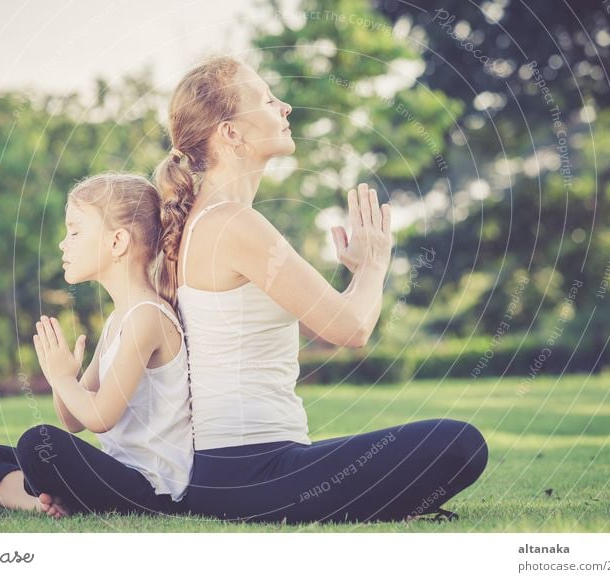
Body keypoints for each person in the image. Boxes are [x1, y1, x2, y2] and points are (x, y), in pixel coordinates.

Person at [154, 56, 489, 524]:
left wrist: (358, 276)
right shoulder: (233, 222)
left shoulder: (212, 218)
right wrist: (374, 265)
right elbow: (349, 328)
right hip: (251, 473)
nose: (285, 106)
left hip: (247, 469)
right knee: (460, 443)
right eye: (268, 99)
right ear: (231, 132)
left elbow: (339, 318)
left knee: (438, 446)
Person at [0, 173, 193, 519]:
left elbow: (100, 417)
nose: (63, 243)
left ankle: (57, 500)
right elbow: (73, 420)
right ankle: (46, 504)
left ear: (118, 242)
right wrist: (66, 378)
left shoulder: (146, 317)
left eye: (74, 231)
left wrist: (62, 380)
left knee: (37, 443)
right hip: (119, 473)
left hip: (153, 489)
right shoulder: (120, 318)